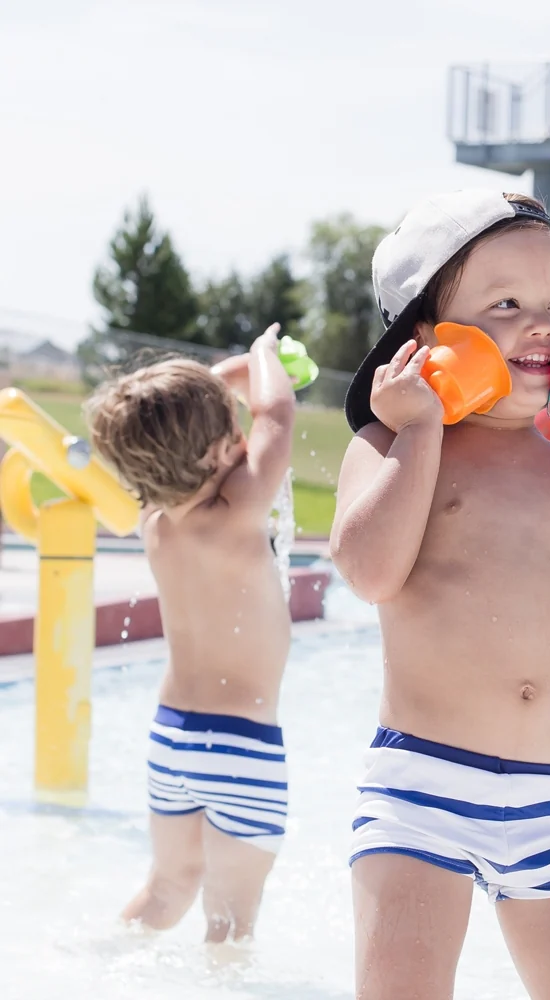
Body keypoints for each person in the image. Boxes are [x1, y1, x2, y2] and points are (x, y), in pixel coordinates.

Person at [330, 190, 550, 999]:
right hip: (423, 794)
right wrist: (419, 427)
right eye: (508, 303)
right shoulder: (389, 446)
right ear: (425, 337)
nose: (547, 323)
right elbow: (370, 570)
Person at [84, 324, 297, 943]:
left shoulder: (154, 521)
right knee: (230, 924)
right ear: (213, 455)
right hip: (244, 747)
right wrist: (264, 354)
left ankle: (92, 968)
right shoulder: (238, 508)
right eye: (229, 430)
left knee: (167, 887)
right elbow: (277, 411)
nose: (242, 433)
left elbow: (246, 416)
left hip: (172, 737)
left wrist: (213, 384)